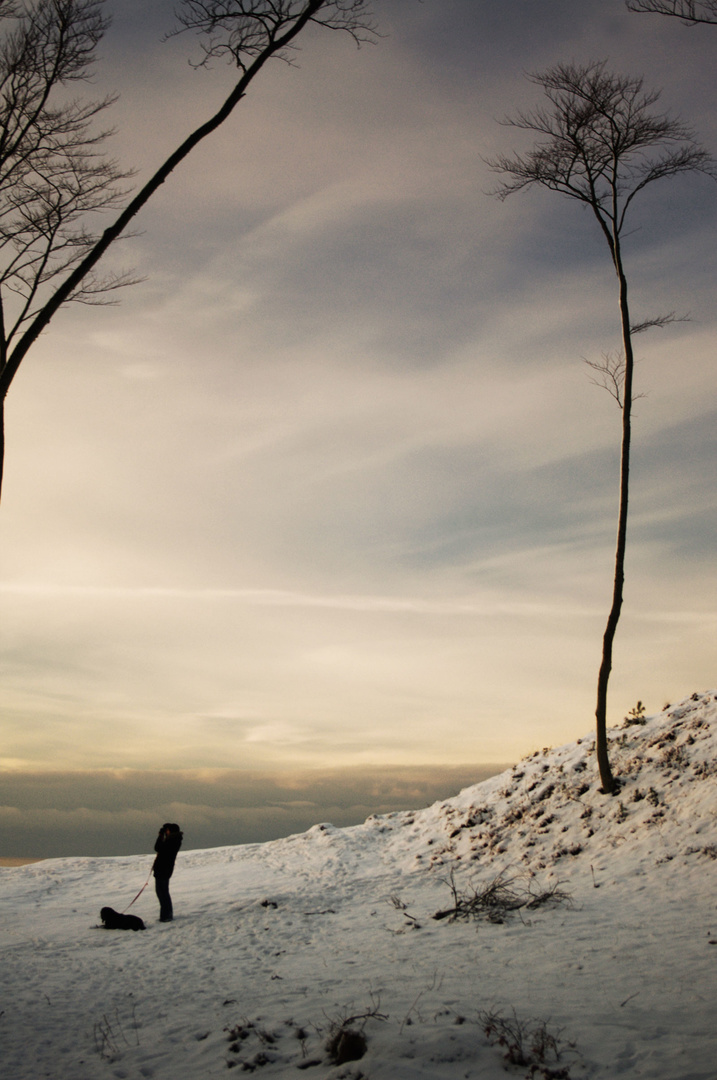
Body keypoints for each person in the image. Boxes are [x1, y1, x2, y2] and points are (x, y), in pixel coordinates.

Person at [152, 822, 183, 922]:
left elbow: (158, 848)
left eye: (167, 830)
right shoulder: (174, 839)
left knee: (162, 893)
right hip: (165, 869)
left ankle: (166, 916)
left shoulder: (172, 840)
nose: (166, 832)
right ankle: (166, 915)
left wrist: (160, 836)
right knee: (163, 892)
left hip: (163, 869)